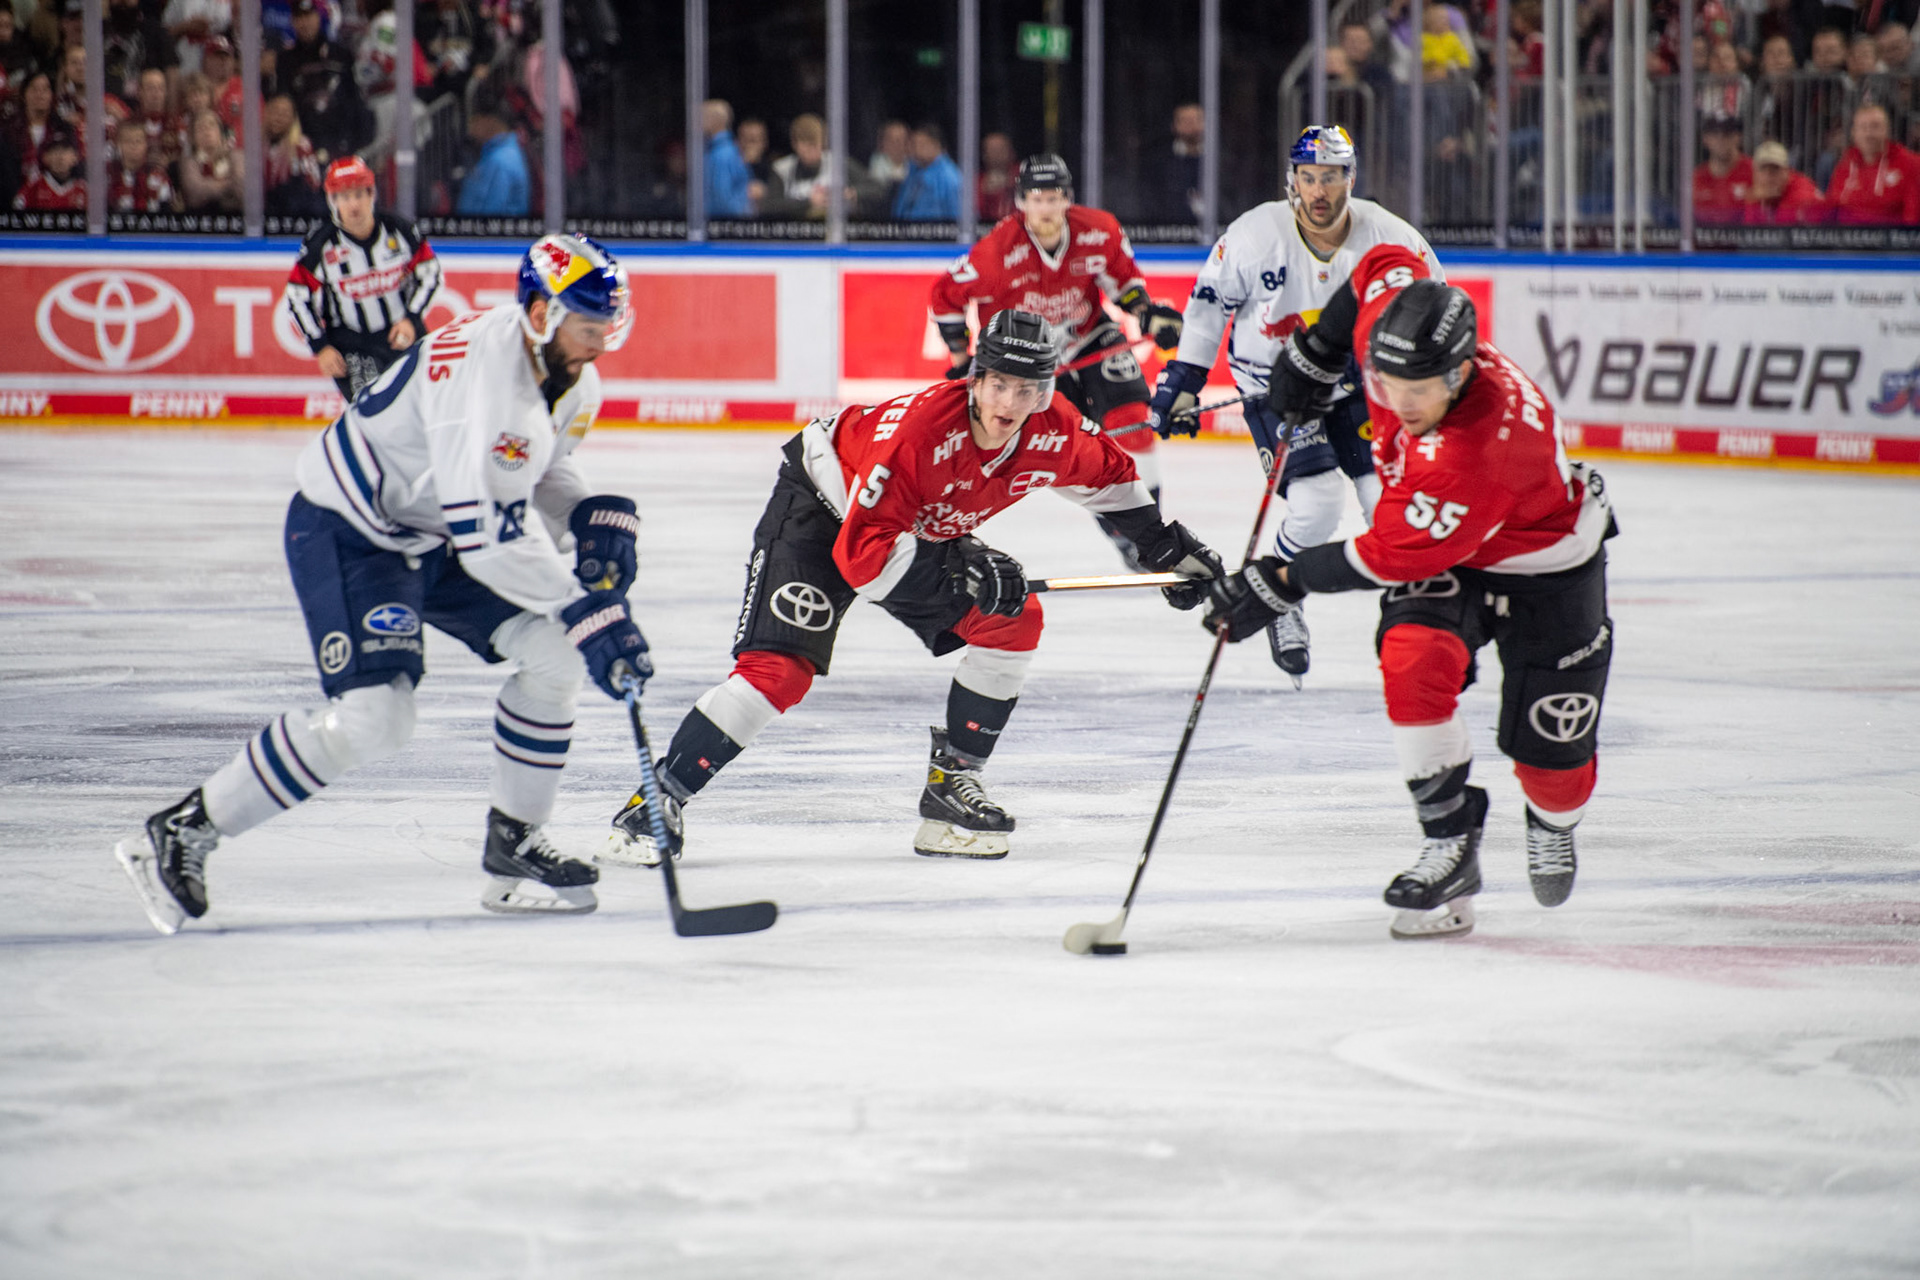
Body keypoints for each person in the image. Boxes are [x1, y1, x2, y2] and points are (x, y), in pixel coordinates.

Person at [116, 234, 647, 933]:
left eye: (608, 327)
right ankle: (184, 829)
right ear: (542, 315)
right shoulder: (484, 387)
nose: (601, 344)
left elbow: (533, 472)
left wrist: (583, 510)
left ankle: (512, 842)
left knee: (556, 656)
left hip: (433, 530)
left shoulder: (572, 376)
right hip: (351, 527)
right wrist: (586, 609)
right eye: (588, 327)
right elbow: (490, 538)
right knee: (377, 717)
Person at [602, 309, 1222, 867]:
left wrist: (1162, 546)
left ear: (1046, 392)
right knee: (778, 674)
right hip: (824, 511)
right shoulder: (923, 433)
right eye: (999, 383)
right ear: (975, 380)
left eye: (1028, 389)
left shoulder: (1052, 429)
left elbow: (1113, 478)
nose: (1011, 403)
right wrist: (961, 567)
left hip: (912, 525)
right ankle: (656, 799)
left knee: (1013, 618)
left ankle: (951, 787)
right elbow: (861, 557)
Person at [1233, 247, 1617, 940]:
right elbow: (1384, 260)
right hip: (1446, 544)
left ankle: (1553, 820)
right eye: (1384, 384)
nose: (1399, 405)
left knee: (1551, 768)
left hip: (1547, 566)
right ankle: (1450, 846)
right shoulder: (1395, 330)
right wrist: (1319, 351)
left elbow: (1384, 555)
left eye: (1420, 391)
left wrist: (1280, 580)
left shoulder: (1485, 448)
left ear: (1462, 373)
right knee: (1412, 659)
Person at [1147, 125, 1440, 688]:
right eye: (1309, 178)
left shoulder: (1390, 237)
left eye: (1331, 177)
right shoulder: (1256, 235)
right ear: (1293, 181)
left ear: (1350, 179)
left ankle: (1409, 612)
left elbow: (1432, 303)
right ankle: (1283, 596)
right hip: (1275, 392)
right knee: (1315, 507)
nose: (1319, 190)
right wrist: (1183, 378)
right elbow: (1210, 305)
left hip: (1357, 392)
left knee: (1390, 505)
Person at [930, 153, 1185, 568]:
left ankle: (1151, 529)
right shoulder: (995, 253)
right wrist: (962, 359)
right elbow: (944, 295)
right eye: (1036, 198)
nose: (1045, 208)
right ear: (1021, 202)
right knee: (1076, 450)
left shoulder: (1099, 230)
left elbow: (1123, 283)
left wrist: (1147, 315)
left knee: (1133, 421)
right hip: (1030, 362)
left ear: (1067, 198)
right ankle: (1121, 530)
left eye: (1053, 198)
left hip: (1090, 339)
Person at [287, 155, 443, 399]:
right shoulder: (320, 245)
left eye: (359, 194)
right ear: (332, 201)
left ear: (372, 195)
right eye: (344, 197)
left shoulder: (399, 230)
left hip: (401, 333)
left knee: (429, 401)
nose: (354, 205)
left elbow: (430, 273)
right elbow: (297, 298)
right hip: (351, 345)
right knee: (373, 414)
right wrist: (321, 347)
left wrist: (411, 319)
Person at [1825, 101, 1920, 225]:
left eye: (1875, 126)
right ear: (1854, 133)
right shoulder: (1845, 164)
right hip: (1846, 240)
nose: (1868, 134)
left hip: (1892, 240)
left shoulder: (1910, 163)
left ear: (1887, 130)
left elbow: (1913, 220)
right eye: (1863, 127)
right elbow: (1830, 207)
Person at [456, 80, 528, 216]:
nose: (470, 129)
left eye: (474, 120)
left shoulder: (501, 160)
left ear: (489, 121)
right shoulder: (496, 153)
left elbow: (490, 215)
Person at [263, 91, 326, 216]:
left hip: (291, 213)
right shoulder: (252, 144)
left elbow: (313, 185)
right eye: (275, 111)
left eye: (285, 113)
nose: (279, 117)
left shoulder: (302, 147)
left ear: (293, 119)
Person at [1143, 102, 1204, 224]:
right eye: (1185, 121)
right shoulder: (1158, 162)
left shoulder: (1222, 160)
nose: (1192, 126)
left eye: (1196, 120)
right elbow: (1152, 201)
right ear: (1174, 126)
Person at [1742, 139, 1826, 222]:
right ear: (1754, 174)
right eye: (1763, 171)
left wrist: (1763, 205)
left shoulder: (1802, 190)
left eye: (1774, 171)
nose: (1768, 178)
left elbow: (1782, 227)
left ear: (1786, 172)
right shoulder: (1754, 196)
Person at [893, 121, 961, 221]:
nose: (915, 149)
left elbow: (959, 217)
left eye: (921, 144)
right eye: (913, 144)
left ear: (936, 145)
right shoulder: (912, 172)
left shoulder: (950, 178)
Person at [107, 115, 177, 211]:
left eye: (138, 141)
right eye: (128, 141)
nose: (133, 146)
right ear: (119, 144)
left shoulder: (158, 177)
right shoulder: (109, 176)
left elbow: (166, 214)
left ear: (146, 144)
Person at [1692, 112, 1752, 224]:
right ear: (1705, 139)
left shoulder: (1755, 171)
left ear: (1738, 137)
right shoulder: (1697, 178)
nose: (1721, 139)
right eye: (1715, 134)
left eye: (1727, 134)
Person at [178, 107, 242, 212]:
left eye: (211, 125)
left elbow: (241, 187)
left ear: (220, 132)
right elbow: (195, 193)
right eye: (200, 128)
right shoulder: (188, 162)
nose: (206, 131)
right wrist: (228, 183)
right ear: (193, 138)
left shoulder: (237, 156)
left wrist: (209, 185)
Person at [701, 97, 752, 218]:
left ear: (713, 120)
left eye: (702, 117)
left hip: (723, 226)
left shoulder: (722, 154)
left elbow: (722, 198)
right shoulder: (725, 150)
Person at [14, 133, 84, 209]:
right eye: (54, 150)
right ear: (45, 157)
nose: (60, 157)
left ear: (75, 157)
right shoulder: (33, 188)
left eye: (65, 150)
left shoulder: (84, 190)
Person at [976, 131, 1018, 222]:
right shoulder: (977, 182)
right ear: (984, 155)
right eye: (992, 150)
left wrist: (1010, 184)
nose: (997, 154)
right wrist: (986, 191)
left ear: (1011, 152)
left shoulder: (1021, 176)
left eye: (1001, 149)